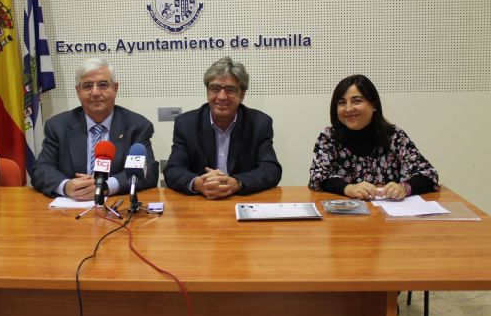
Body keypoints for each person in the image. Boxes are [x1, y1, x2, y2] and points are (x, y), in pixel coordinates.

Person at [31, 58, 159, 199]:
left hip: (116, 205)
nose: (95, 93)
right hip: (69, 208)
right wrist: (66, 186)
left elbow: (149, 171)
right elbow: (41, 169)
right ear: (78, 91)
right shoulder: (58, 126)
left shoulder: (137, 126)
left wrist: (105, 187)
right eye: (87, 86)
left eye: (103, 85)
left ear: (115, 88)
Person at [164, 57, 282, 199]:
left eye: (230, 89)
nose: (221, 96)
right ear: (208, 91)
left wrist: (237, 183)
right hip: (201, 203)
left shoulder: (259, 123)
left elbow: (271, 170)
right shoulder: (186, 123)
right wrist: (198, 183)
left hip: (240, 201)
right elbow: (173, 170)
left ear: (242, 94)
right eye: (215, 88)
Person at [309, 74, 439, 200]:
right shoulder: (329, 137)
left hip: (387, 216)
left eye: (357, 101)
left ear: (374, 104)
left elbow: (428, 174)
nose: (348, 108)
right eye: (342, 103)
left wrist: (404, 188)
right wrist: (348, 188)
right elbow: (317, 177)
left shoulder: (394, 137)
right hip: (343, 215)